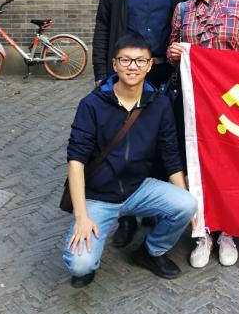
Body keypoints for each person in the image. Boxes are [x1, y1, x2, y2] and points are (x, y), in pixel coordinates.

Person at [62, 34, 196, 288]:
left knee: (187, 203)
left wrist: (185, 203)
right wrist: (81, 217)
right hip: (98, 196)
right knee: (79, 265)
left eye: (140, 61)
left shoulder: (159, 104)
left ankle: (150, 251)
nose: (132, 67)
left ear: (149, 65)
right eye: (125, 60)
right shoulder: (92, 104)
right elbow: (76, 161)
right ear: (115, 64)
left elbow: (170, 155)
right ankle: (89, 256)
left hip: (138, 188)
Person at [92, 0, 188, 248]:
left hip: (163, 73)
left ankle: (156, 207)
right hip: (126, 73)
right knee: (124, 141)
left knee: (162, 138)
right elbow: (103, 25)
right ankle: (126, 217)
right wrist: (101, 72)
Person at [168, 0, 239, 268]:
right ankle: (202, 232)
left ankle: (228, 232)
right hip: (193, 104)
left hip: (231, 105)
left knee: (229, 166)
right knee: (196, 164)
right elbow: (171, 48)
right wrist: (175, 52)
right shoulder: (182, 10)